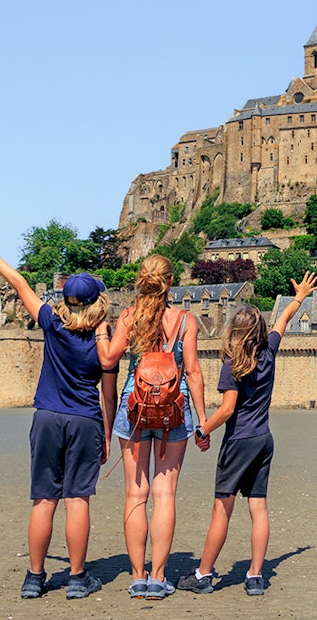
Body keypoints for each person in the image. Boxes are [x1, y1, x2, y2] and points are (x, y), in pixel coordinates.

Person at [0, 229, 118, 600]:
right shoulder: (103, 341)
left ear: (66, 299)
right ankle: (78, 579)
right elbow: (108, 395)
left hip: (47, 416)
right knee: (78, 498)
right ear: (98, 301)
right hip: (85, 420)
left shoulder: (51, 322)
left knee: (44, 499)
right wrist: (107, 435)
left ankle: (34, 578)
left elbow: (20, 285)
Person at [177, 271, 317, 597]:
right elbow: (282, 320)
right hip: (263, 440)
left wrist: (201, 430)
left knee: (222, 510)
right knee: (258, 508)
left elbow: (227, 410)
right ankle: (255, 576)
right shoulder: (269, 351)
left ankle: (202, 575)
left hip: (238, 441)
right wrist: (299, 297)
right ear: (260, 331)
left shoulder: (233, 364)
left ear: (234, 332)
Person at [102, 254, 209, 600]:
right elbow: (192, 372)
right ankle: (159, 577)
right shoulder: (184, 320)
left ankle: (137, 577)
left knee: (135, 494)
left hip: (133, 408)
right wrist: (203, 420)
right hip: (174, 411)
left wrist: (101, 330)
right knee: (164, 496)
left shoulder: (130, 317)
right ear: (170, 282)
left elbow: (109, 359)